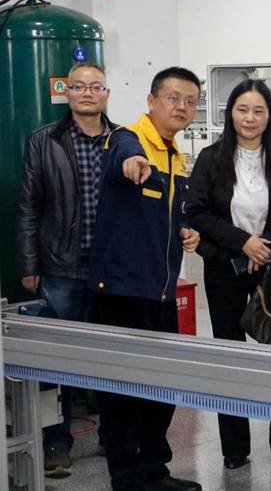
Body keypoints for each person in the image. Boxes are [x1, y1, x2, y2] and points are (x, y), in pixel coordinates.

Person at [87, 67, 203, 491]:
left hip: (160, 293)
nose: (182, 107)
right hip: (121, 292)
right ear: (151, 101)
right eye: (172, 98)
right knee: (122, 392)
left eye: (190, 101)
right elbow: (126, 153)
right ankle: (126, 476)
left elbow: (166, 213)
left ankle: (155, 469)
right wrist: (132, 161)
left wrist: (186, 229)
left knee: (162, 386)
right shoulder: (128, 138)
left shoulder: (175, 155)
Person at [186, 79, 271, 470]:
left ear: (270, 117)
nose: (250, 118)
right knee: (228, 356)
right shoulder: (211, 159)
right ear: (230, 113)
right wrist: (242, 243)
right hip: (224, 268)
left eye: (258, 111)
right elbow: (197, 212)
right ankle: (234, 446)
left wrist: (263, 245)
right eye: (242, 109)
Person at [15, 62, 117, 478]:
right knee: (57, 360)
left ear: (106, 93)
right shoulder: (44, 141)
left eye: (95, 86)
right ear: (67, 92)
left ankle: (114, 433)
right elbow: (28, 205)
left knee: (111, 355)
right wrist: (29, 263)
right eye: (78, 86)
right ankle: (57, 440)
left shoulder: (122, 139)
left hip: (112, 270)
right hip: (61, 267)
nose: (87, 93)